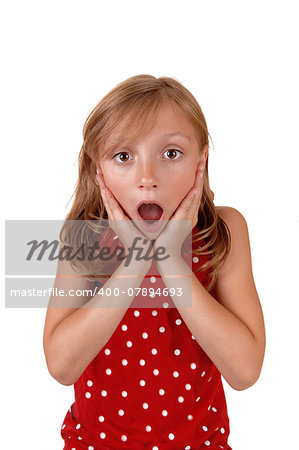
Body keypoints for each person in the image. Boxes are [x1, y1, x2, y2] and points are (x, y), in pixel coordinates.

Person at [43, 74, 266, 449]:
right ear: (96, 170)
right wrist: (135, 263)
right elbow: (62, 366)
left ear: (202, 158)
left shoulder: (224, 230)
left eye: (171, 154)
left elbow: (244, 371)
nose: (148, 178)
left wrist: (171, 262)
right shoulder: (85, 235)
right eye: (124, 156)